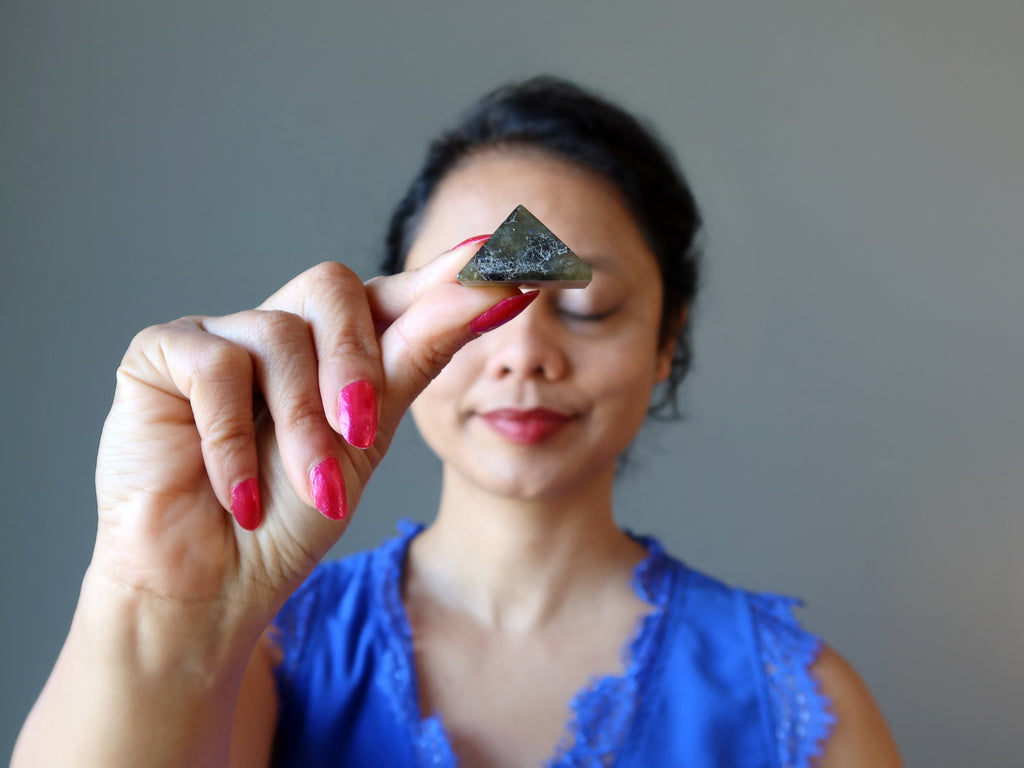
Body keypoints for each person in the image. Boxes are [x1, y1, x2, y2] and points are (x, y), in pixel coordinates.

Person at [12, 76, 902, 767]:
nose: (523, 354)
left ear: (668, 341)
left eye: (586, 308)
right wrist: (160, 605)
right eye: (481, 307)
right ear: (387, 321)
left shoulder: (805, 703)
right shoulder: (265, 650)